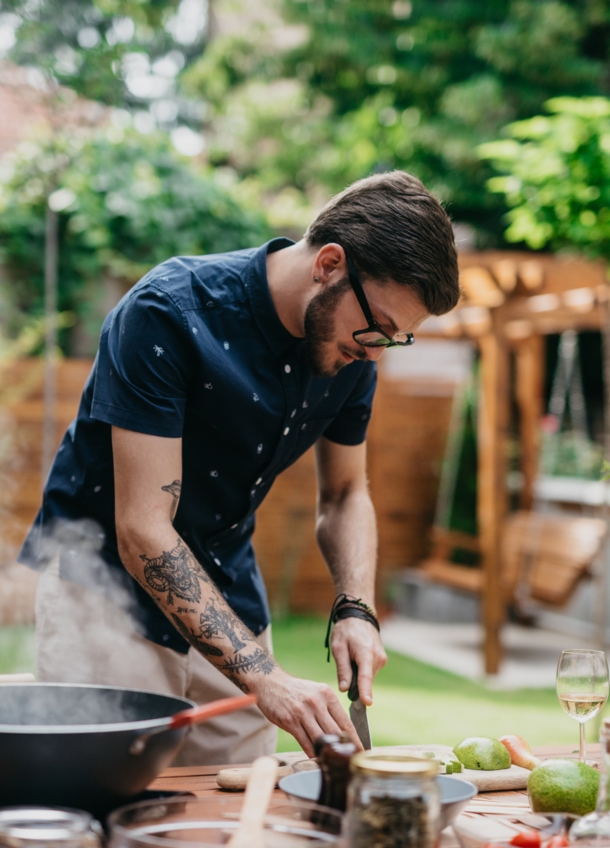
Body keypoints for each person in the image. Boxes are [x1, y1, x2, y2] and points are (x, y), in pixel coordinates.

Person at [19, 170, 460, 763]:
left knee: (236, 806)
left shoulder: (353, 353)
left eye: (396, 338)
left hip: (229, 593)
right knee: (113, 811)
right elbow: (142, 529)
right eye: (378, 327)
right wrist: (266, 677)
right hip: (104, 599)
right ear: (329, 264)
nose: (377, 350)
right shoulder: (168, 312)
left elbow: (347, 494)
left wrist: (356, 606)